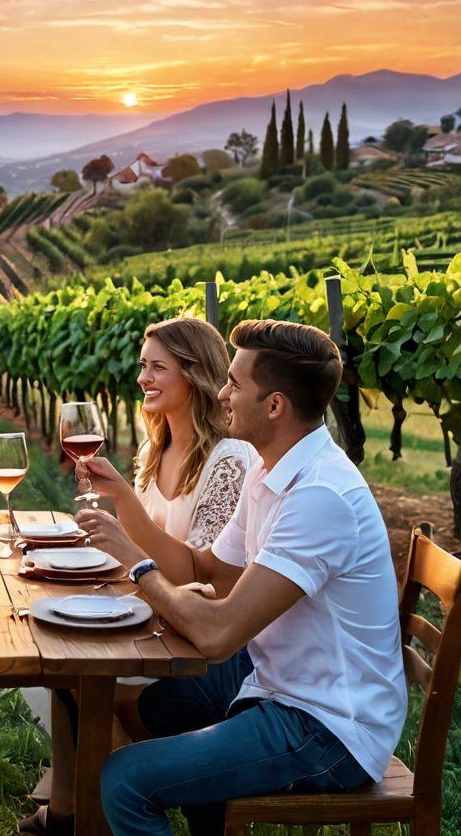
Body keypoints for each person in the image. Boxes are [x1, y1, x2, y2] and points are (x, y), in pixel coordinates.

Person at [79, 320, 407, 836]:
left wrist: (137, 564)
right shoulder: (268, 471)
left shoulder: (320, 496)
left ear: (274, 406)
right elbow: (210, 572)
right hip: (279, 690)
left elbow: (217, 634)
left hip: (328, 729)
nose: (223, 393)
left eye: (234, 383)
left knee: (125, 779)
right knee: (167, 704)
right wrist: (134, 527)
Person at [20, 318, 253, 834]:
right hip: (164, 617)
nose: (143, 377)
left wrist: (123, 502)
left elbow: (201, 573)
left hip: (210, 646)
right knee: (66, 665)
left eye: (157, 367)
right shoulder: (157, 448)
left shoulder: (229, 459)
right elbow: (144, 558)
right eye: (142, 366)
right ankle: (71, 812)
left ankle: (84, 814)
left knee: (79, 679)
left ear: (193, 375)